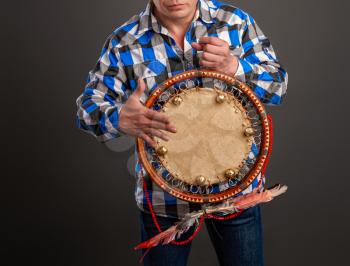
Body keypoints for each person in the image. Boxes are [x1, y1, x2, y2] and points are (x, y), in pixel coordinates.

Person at [76, 0, 288, 265]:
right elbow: (87, 110)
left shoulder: (235, 22)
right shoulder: (124, 41)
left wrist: (235, 68)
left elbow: (278, 84)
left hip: (238, 192)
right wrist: (118, 119)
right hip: (163, 198)